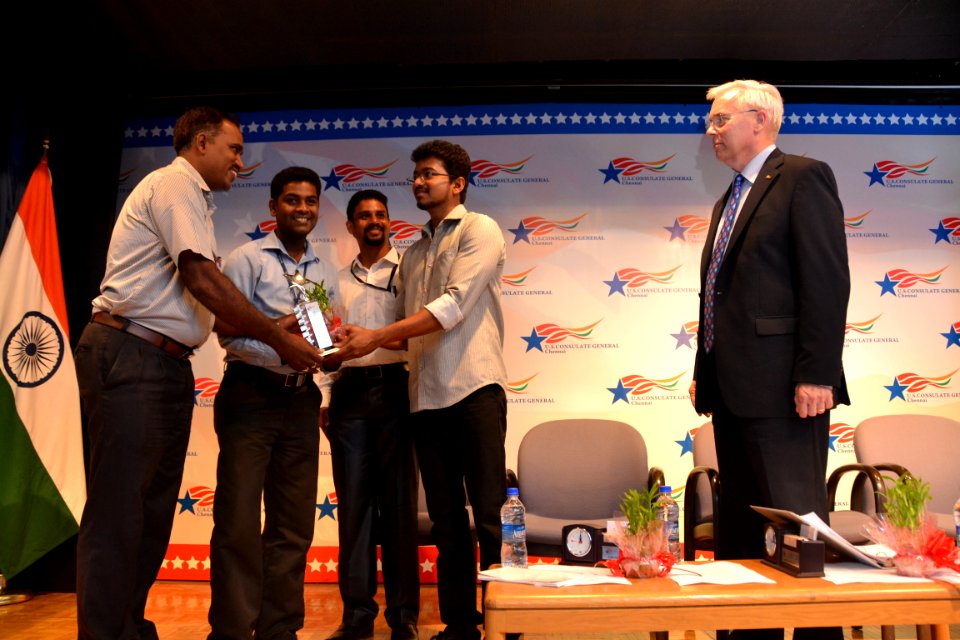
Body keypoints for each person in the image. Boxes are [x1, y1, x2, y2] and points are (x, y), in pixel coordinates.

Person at [74, 107, 325, 640]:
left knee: (151, 512)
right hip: (131, 351)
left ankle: (128, 627)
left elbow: (207, 302)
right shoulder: (175, 185)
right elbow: (202, 278)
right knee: (121, 512)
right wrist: (279, 338)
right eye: (234, 149)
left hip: (162, 362)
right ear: (202, 142)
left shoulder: (195, 201)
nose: (241, 160)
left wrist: (281, 327)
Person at [689, 80, 850, 640]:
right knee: (741, 534)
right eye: (710, 121)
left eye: (719, 120)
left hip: (786, 390)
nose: (710, 131)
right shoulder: (726, 199)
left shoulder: (802, 177)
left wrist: (815, 372)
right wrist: (702, 372)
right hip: (731, 393)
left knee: (798, 534)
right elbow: (717, 294)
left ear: (759, 121)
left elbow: (827, 283)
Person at [337, 140, 507, 640]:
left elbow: (452, 307)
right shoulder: (411, 253)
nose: (418, 182)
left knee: (491, 516)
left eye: (428, 174)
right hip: (426, 399)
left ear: (457, 183)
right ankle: (459, 625)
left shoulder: (481, 230)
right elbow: (396, 326)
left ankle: (503, 623)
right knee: (448, 522)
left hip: (474, 389)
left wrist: (375, 337)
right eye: (415, 175)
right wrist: (344, 341)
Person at [207, 166, 338, 639]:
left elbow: (323, 336)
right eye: (291, 201)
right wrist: (283, 336)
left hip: (300, 400)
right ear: (272, 207)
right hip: (251, 396)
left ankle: (280, 628)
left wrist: (332, 348)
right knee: (238, 522)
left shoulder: (323, 269)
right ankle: (233, 630)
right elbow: (224, 330)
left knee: (293, 525)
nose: (302, 209)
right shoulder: (247, 258)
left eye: (310, 201)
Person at [320, 189, 419, 640]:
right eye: (363, 216)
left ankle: (403, 616)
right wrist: (324, 396)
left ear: (390, 221)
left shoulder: (411, 274)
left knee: (399, 510)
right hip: (349, 395)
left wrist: (377, 340)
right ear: (351, 227)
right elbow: (325, 347)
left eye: (380, 214)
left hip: (398, 392)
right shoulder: (334, 279)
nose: (373, 221)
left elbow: (421, 339)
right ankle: (357, 615)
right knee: (355, 509)